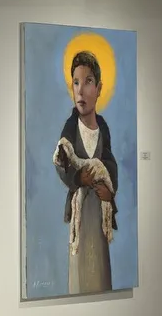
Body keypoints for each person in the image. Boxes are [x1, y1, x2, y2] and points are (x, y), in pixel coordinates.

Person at [51, 50, 118, 295]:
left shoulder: (103, 128)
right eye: (76, 83)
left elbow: (109, 163)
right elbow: (62, 162)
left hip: (98, 213)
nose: (81, 91)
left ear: (99, 89)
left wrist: (109, 192)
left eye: (88, 81)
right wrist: (78, 178)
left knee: (99, 269)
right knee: (80, 271)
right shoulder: (70, 128)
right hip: (80, 212)